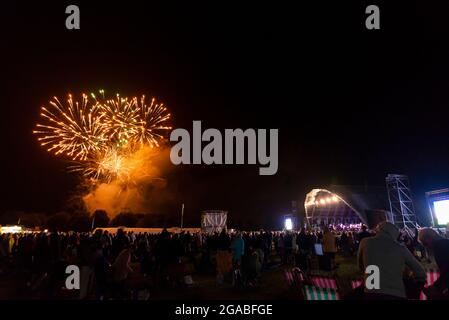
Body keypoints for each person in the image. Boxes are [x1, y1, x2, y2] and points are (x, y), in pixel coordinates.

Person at [358, 222, 426, 299]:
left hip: (371, 292)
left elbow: (361, 266)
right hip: (396, 293)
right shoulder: (400, 248)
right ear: (395, 234)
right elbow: (421, 272)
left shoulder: (365, 242)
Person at [418, 228, 449, 299]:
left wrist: (436, 287)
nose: (426, 246)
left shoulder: (439, 245)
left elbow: (446, 270)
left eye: (424, 243)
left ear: (428, 238)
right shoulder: (445, 242)